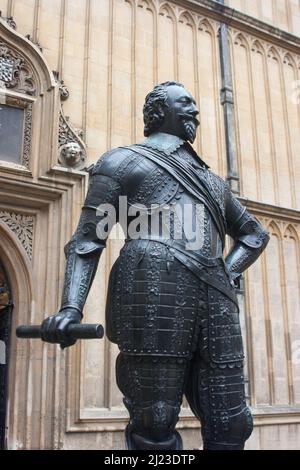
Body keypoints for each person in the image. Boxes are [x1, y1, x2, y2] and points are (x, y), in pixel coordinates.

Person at [41, 81, 269, 450]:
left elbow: (254, 235)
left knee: (232, 422)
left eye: (196, 104)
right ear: (158, 111)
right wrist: (70, 307)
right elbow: (88, 240)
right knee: (155, 419)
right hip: (151, 288)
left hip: (216, 300)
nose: (195, 110)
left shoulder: (213, 182)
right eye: (186, 103)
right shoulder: (122, 162)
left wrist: (225, 273)